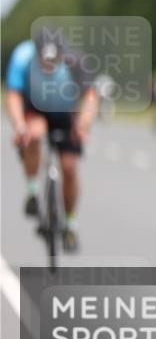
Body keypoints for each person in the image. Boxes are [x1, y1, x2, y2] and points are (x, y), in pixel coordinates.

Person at [5, 32, 98, 251]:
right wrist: (20, 126)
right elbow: (13, 96)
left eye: (53, 61)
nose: (48, 66)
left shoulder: (76, 62)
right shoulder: (22, 58)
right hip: (34, 106)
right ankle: (32, 190)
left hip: (64, 111)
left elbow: (91, 97)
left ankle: (71, 224)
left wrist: (83, 125)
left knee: (70, 166)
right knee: (33, 135)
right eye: (44, 61)